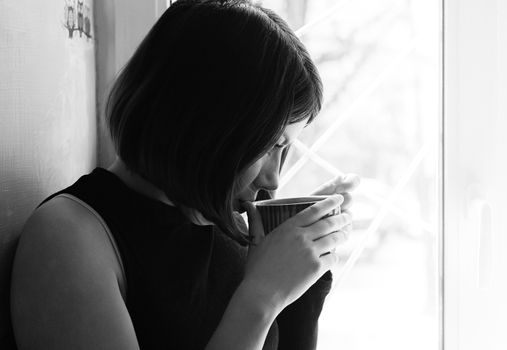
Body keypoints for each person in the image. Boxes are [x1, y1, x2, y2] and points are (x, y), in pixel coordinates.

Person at [10, 0, 359, 349]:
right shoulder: (70, 235)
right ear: (207, 128)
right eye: (270, 146)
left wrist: (302, 281)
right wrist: (261, 298)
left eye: (285, 150)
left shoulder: (234, 232)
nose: (273, 181)